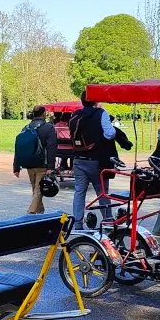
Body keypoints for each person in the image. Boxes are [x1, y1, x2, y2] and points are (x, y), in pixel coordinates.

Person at [69, 91, 116, 227]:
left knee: (79, 192)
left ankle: (77, 223)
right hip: (97, 159)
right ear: (95, 101)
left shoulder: (75, 115)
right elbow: (110, 133)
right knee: (102, 193)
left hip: (78, 158)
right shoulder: (101, 113)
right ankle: (107, 221)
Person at [13, 105, 58, 214]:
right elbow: (52, 147)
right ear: (44, 114)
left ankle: (40, 213)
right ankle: (31, 213)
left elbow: (19, 147)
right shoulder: (48, 128)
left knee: (36, 190)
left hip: (29, 164)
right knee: (38, 191)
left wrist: (16, 166)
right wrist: (51, 167)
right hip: (42, 164)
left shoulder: (26, 128)